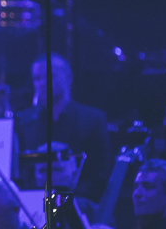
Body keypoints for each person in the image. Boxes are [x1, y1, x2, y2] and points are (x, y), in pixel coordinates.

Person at [14, 54, 110, 200]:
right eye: (37, 78)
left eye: (49, 76)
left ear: (68, 77)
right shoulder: (23, 122)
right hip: (34, 201)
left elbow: (100, 173)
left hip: (78, 201)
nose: (42, 83)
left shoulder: (92, 119)